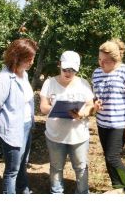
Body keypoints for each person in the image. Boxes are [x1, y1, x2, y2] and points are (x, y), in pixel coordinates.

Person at [0, 38, 38, 194]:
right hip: (12, 129)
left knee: (23, 162)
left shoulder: (24, 75)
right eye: (28, 59)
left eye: (33, 58)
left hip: (26, 126)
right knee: (12, 170)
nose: (31, 62)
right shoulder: (4, 79)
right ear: (17, 58)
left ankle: (24, 191)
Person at [39, 51, 94, 194]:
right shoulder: (49, 83)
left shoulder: (83, 83)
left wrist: (82, 113)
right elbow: (43, 107)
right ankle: (57, 193)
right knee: (56, 167)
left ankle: (82, 194)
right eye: (65, 69)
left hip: (78, 135)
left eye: (73, 70)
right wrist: (56, 109)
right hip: (55, 135)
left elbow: (90, 105)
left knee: (81, 167)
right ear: (59, 65)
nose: (68, 73)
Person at [92, 38, 125, 194]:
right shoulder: (97, 73)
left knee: (113, 157)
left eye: (105, 61)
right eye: (99, 59)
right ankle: (117, 189)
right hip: (102, 122)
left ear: (115, 60)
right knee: (108, 157)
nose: (101, 64)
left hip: (119, 124)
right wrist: (94, 104)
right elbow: (95, 95)